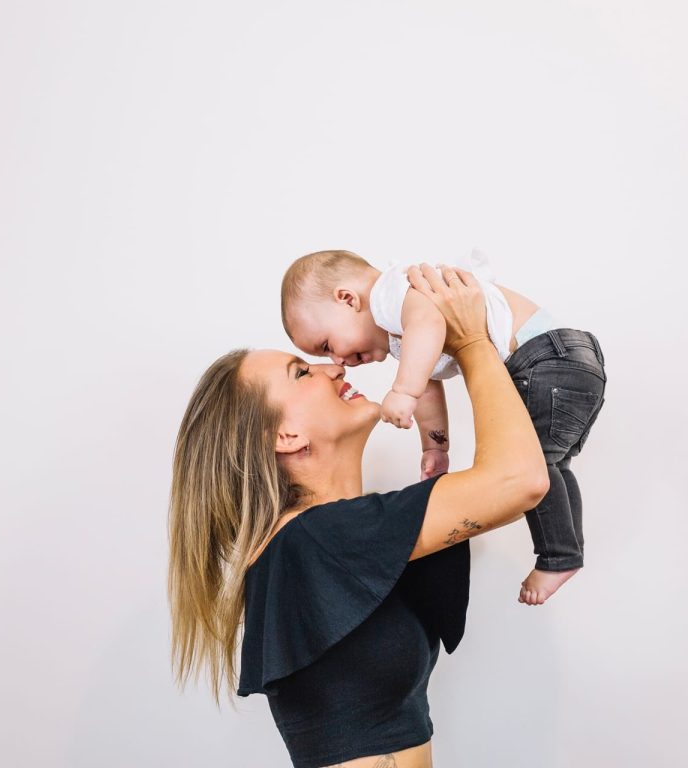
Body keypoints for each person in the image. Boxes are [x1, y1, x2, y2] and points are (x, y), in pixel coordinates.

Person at [168, 265, 549, 768]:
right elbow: (519, 479)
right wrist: (473, 338)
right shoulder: (318, 541)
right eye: (303, 372)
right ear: (286, 438)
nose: (335, 368)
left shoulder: (333, 539)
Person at [280, 249, 606, 605]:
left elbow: (429, 327)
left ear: (346, 299)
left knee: (536, 462)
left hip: (543, 358)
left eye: (327, 345)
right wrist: (435, 446)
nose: (338, 362)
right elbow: (429, 382)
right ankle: (566, 553)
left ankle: (557, 557)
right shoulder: (401, 327)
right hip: (571, 357)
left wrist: (402, 390)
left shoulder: (388, 294)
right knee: (553, 464)